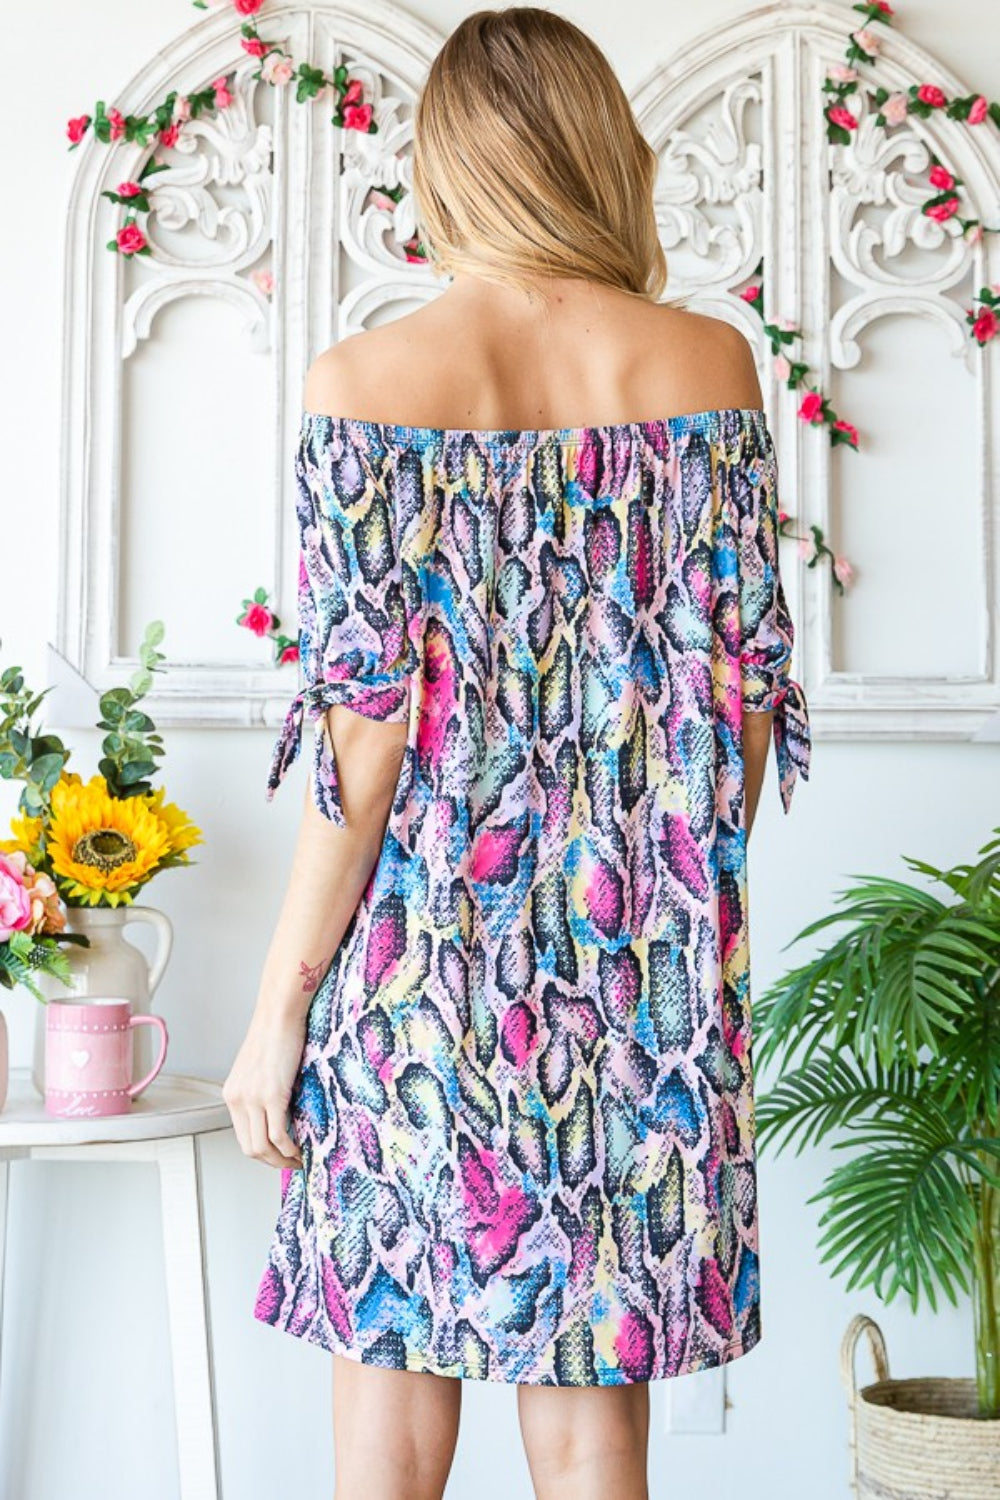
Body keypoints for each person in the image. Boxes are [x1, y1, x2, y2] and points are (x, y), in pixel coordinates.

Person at [222, 7, 811, 1499]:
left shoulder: (364, 385)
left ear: (447, 172)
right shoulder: (709, 369)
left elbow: (364, 740)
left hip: (418, 975)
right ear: (602, 158)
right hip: (634, 976)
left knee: (390, 1422)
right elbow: (742, 703)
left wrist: (283, 1009)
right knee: (594, 1425)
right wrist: (658, 874)